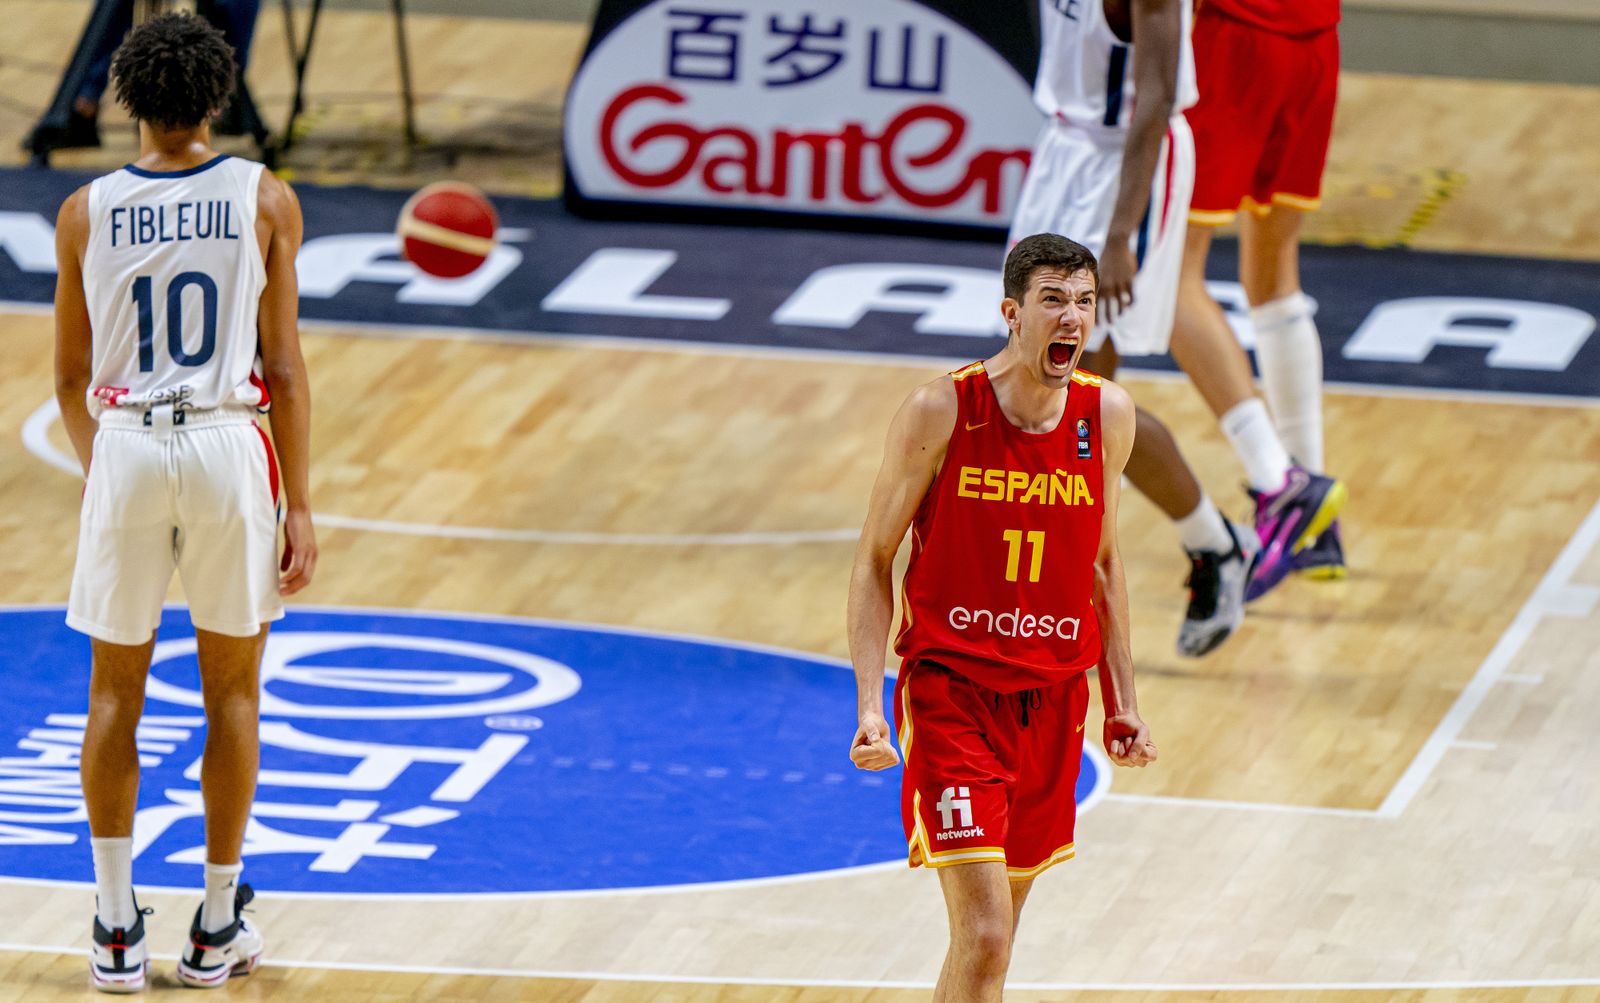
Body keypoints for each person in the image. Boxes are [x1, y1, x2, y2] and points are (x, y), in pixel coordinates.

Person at [52, 12, 314, 992]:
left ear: (126, 99)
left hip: (125, 444)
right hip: (226, 444)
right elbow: (282, 367)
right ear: (220, 94)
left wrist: (108, 470)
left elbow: (70, 373)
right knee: (232, 689)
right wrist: (300, 505)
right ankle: (214, 922)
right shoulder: (266, 198)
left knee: (113, 690)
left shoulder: (83, 211)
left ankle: (116, 925)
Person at [848, 234, 1156, 1002]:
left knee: (990, 944)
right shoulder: (941, 409)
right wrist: (867, 704)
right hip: (952, 693)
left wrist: (1123, 703)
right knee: (985, 936)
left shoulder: (1107, 415)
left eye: (1084, 301)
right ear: (1012, 313)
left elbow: (1104, 566)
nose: (1072, 317)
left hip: (1053, 701)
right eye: (1054, 299)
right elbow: (873, 557)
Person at [1009, 0, 1256, 656]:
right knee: (1053, 395)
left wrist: (1120, 235)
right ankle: (1213, 542)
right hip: (1065, 146)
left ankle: (1052, 593)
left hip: (1125, 168)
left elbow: (1156, 98)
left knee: (1070, 395)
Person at [1172, 0, 1347, 587]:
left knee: (1170, 280)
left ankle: (1278, 481)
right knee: (1273, 274)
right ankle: (1315, 528)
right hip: (1315, 39)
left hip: (1234, 40)